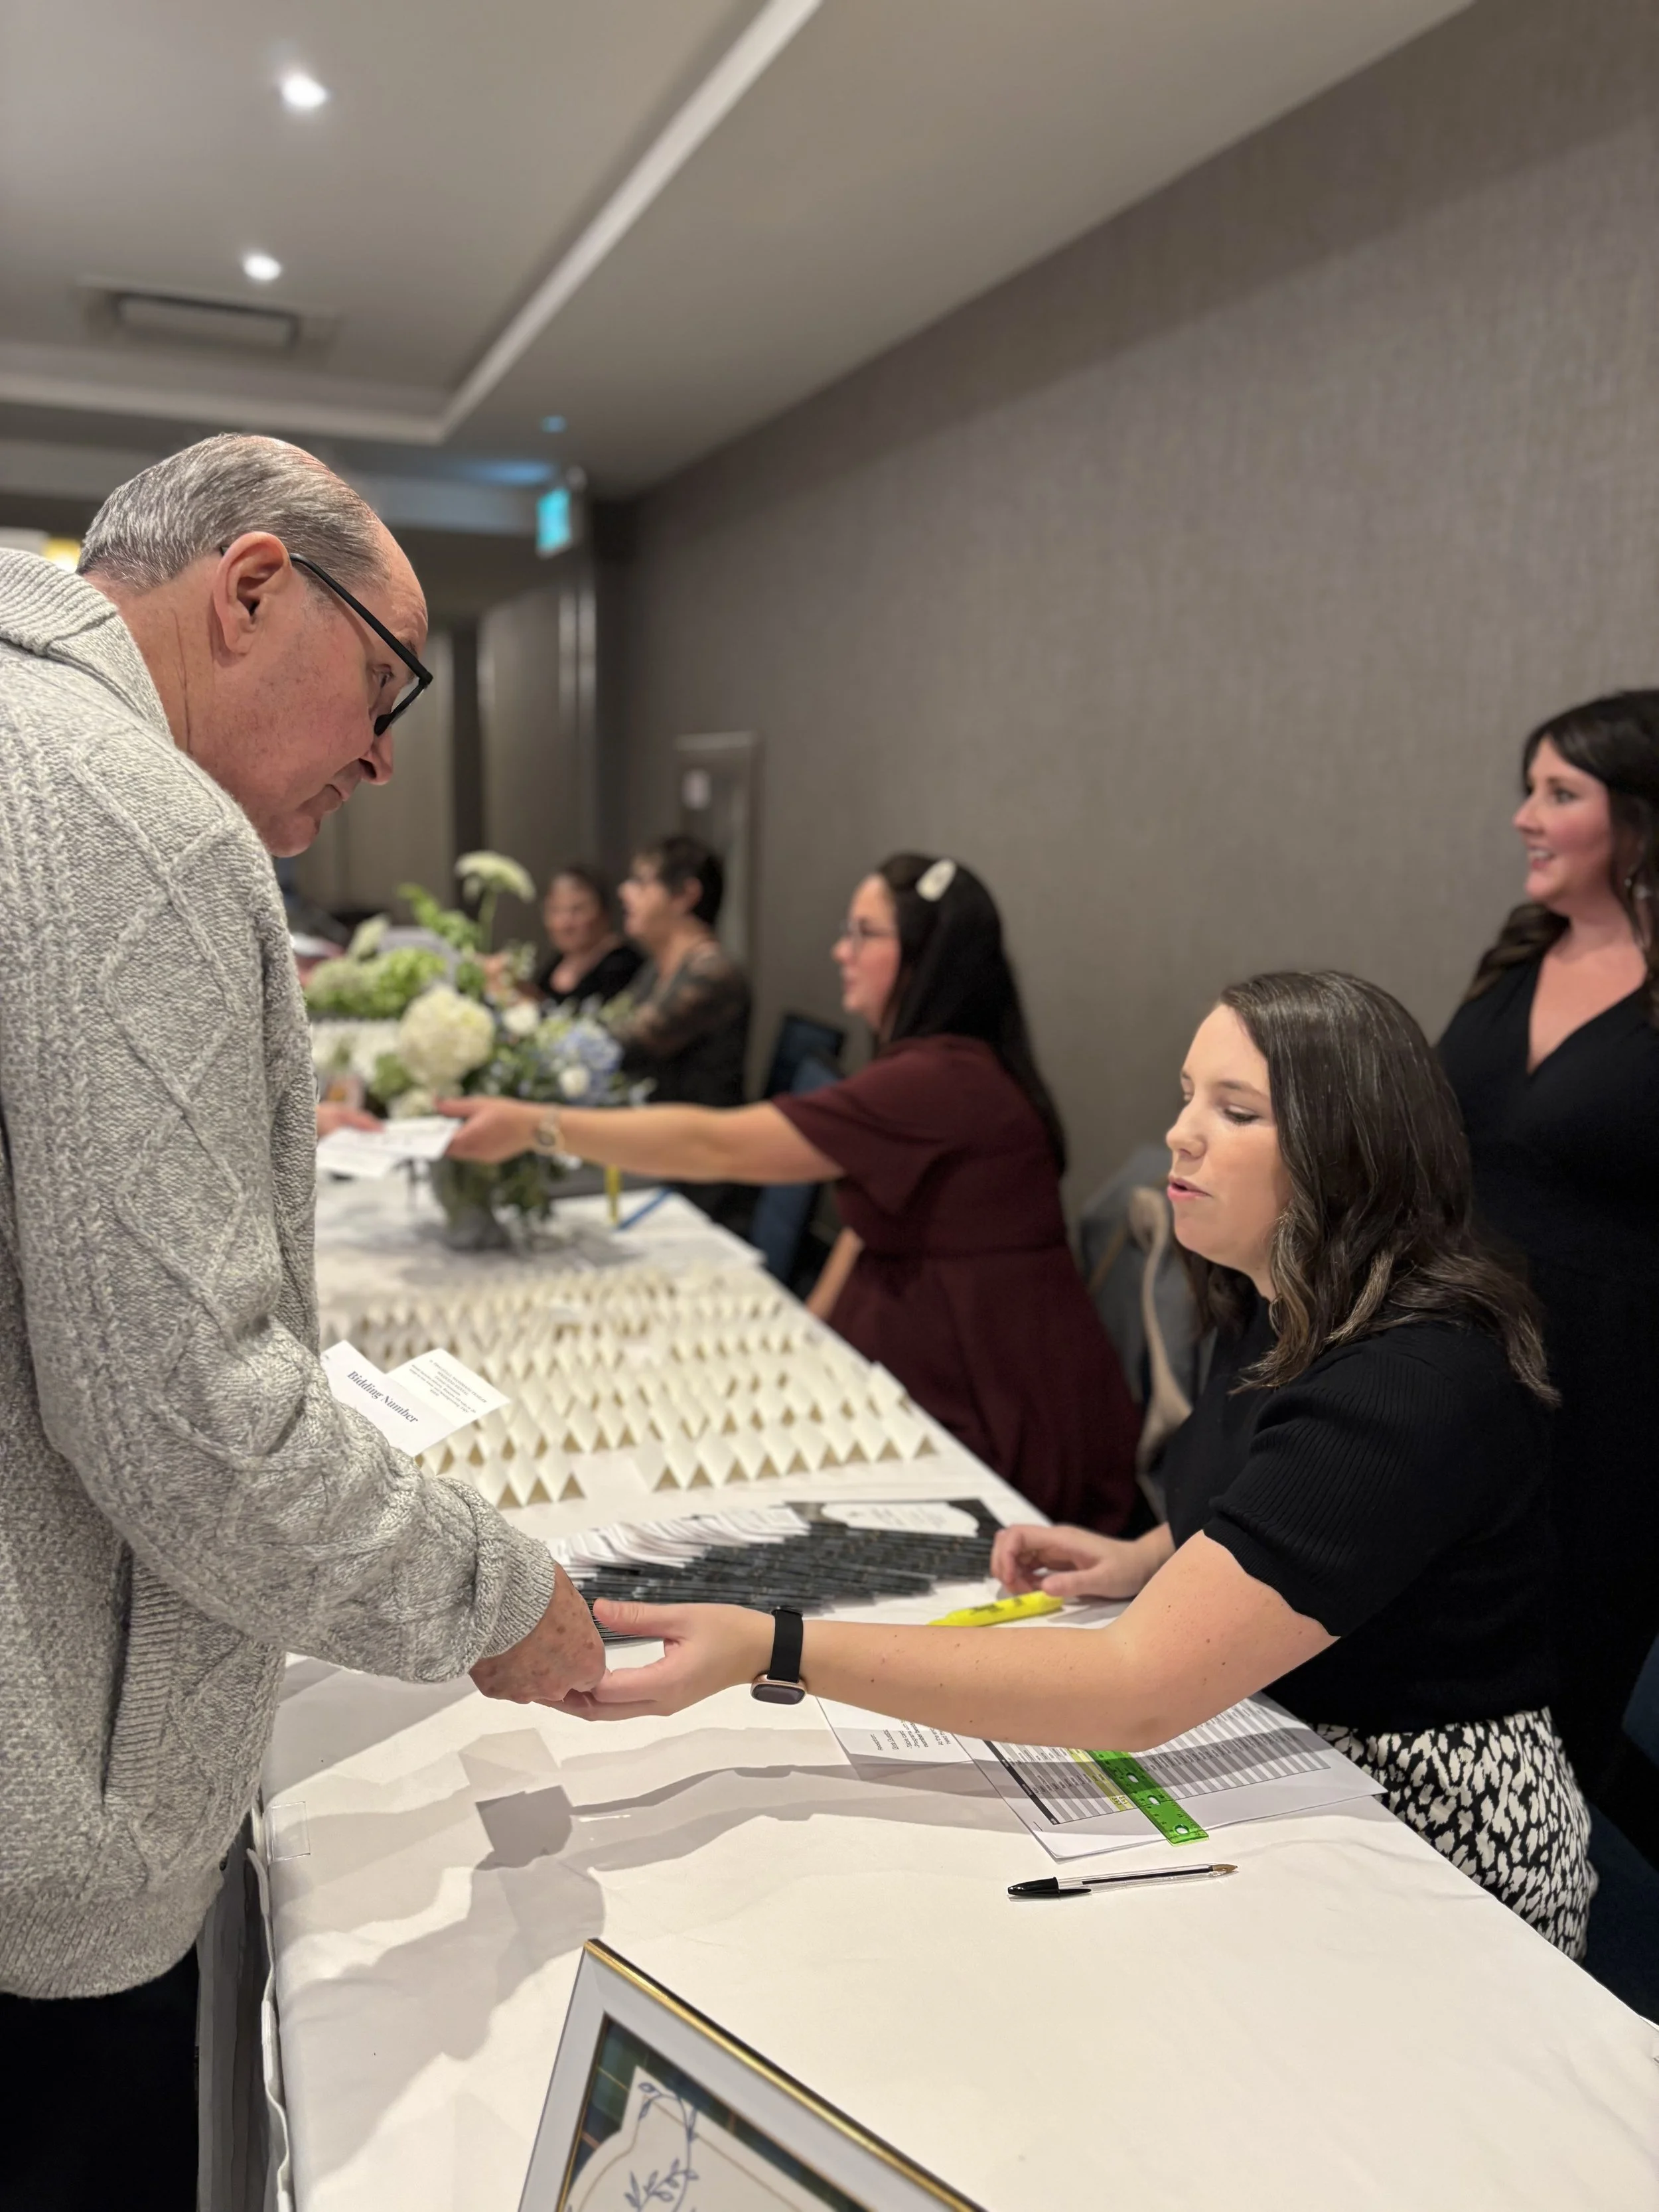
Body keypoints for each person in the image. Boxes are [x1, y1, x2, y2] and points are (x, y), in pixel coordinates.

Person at [0, 433, 603, 2210]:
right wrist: (498, 1593)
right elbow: (187, 1413)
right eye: (384, 679)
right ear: (253, 587)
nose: (381, 749)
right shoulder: (126, 812)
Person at [545, 973, 1595, 1958]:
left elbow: (1132, 1685)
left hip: (1424, 1822)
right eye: (1189, 1095)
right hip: (1281, 1724)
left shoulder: (1409, 1381)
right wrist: (1151, 1552)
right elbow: (1293, 1513)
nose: (1181, 1132)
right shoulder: (1271, 1294)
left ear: (1348, 1149)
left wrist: (773, 1644)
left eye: (1237, 1111)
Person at [441, 854, 1141, 1529]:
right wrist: (813, 1324)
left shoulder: (937, 1080)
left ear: (927, 957)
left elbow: (716, 1144)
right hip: (957, 1341)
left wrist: (539, 1126)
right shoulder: (943, 1067)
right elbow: (872, 1224)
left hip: (995, 1384)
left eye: (864, 934)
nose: (841, 951)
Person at [1439, 692, 1659, 1801]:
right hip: (1464, 1364)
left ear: (1640, 818)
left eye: (1559, 793)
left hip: (1612, 1400)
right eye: (1528, 788)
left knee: (1559, 1686)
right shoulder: (1518, 954)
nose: (1526, 816)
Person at [533, 861, 642, 1007]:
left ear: (604, 913)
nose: (565, 924)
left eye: (577, 910)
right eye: (555, 911)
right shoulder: (551, 967)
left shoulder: (623, 966)